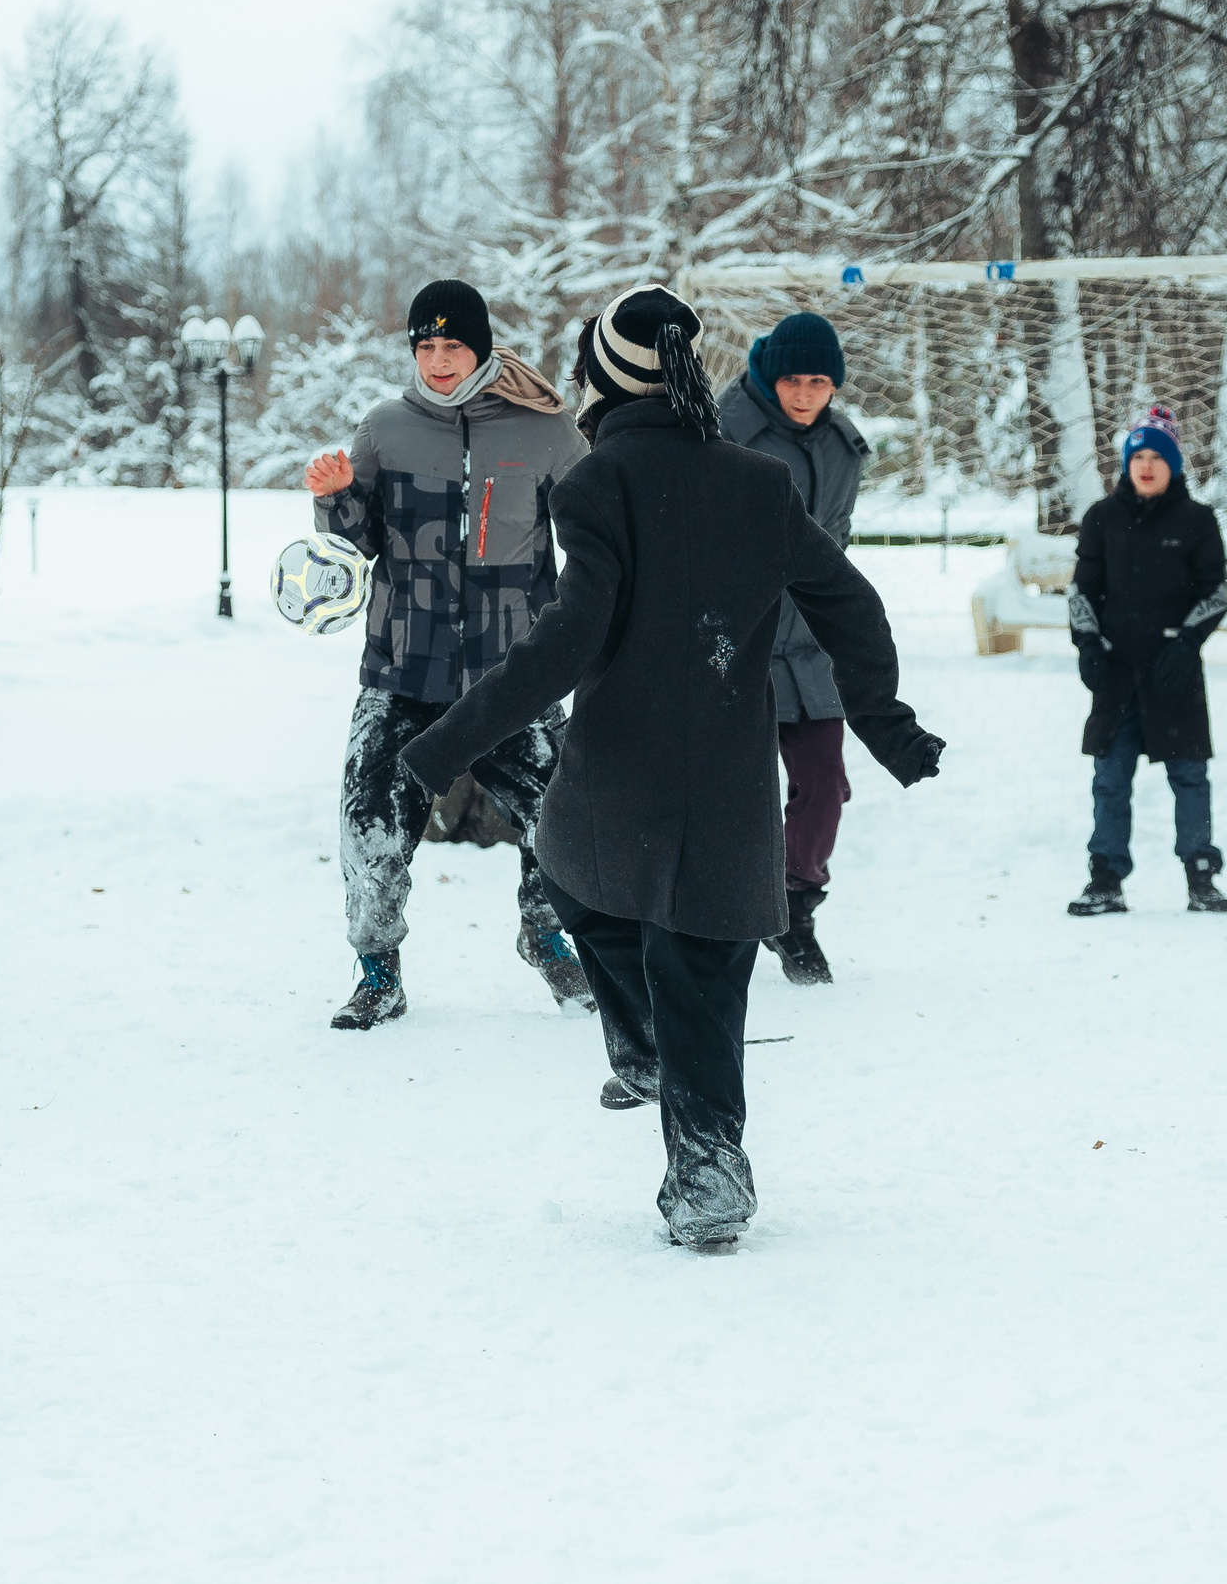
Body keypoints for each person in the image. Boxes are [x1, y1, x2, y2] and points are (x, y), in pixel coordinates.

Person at [400, 284, 944, 1252]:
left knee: (571, 876)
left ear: (604, 378)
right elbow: (850, 605)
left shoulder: (596, 483)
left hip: (618, 774)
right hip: (732, 781)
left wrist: (449, 740)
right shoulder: (756, 482)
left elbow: (569, 640)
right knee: (705, 968)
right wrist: (886, 724)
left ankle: (661, 1074)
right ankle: (707, 1166)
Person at [303, 279, 593, 1030]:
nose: (437, 359)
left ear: (481, 346)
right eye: (424, 346)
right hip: (402, 670)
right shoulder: (386, 428)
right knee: (369, 827)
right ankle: (377, 973)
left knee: (562, 817)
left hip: (511, 675)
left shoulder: (546, 432)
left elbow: (598, 541)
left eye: (452, 344)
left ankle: (547, 937)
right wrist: (337, 498)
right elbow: (353, 547)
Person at [715, 311, 871, 985]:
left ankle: (795, 909)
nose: (804, 394)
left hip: (810, 642)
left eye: (818, 382)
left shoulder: (843, 445)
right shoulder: (723, 432)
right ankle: (717, 917)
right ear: (768, 378)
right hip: (733, 641)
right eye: (792, 381)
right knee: (728, 791)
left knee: (826, 786)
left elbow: (835, 543)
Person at [1066, 406, 1227, 916]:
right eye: (1136, 455)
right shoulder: (1101, 518)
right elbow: (1081, 592)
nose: (1145, 465)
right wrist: (1089, 647)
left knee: (1189, 778)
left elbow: (1217, 592)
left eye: (1156, 456)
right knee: (1110, 779)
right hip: (1116, 674)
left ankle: (1201, 877)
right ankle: (1106, 880)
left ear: (1174, 464)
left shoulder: (1197, 521)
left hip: (1173, 674)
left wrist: (1186, 644)